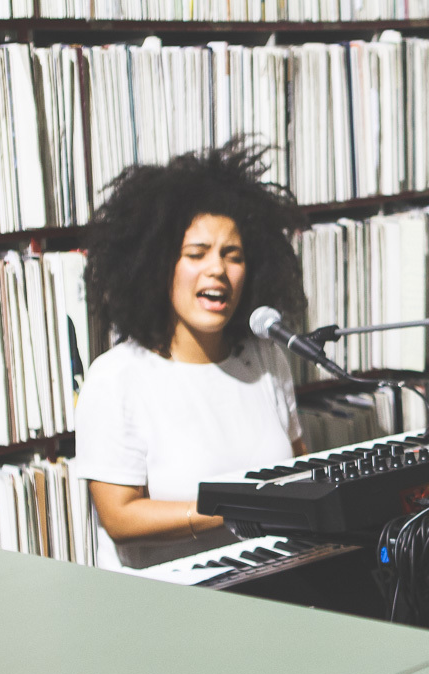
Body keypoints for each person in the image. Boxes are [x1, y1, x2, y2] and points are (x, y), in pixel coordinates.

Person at [74, 140, 307, 570]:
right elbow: (119, 515)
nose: (217, 269)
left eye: (232, 256)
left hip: (274, 593)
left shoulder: (266, 360)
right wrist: (231, 511)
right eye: (196, 254)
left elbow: (297, 472)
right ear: (157, 265)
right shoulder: (116, 377)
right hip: (167, 610)